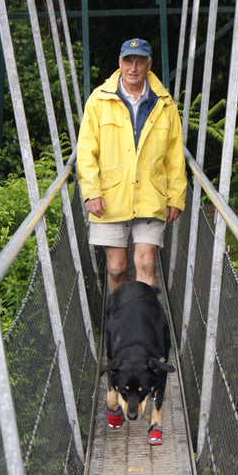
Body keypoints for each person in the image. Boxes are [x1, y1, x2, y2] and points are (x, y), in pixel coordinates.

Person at [77, 38, 187, 292]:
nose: (133, 68)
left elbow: (174, 155)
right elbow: (85, 150)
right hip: (110, 196)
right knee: (116, 268)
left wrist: (176, 197)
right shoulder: (99, 100)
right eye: (128, 61)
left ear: (149, 65)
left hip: (151, 194)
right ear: (120, 63)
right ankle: (120, 324)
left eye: (139, 62)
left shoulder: (165, 103)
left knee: (147, 263)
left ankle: (144, 325)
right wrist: (91, 192)